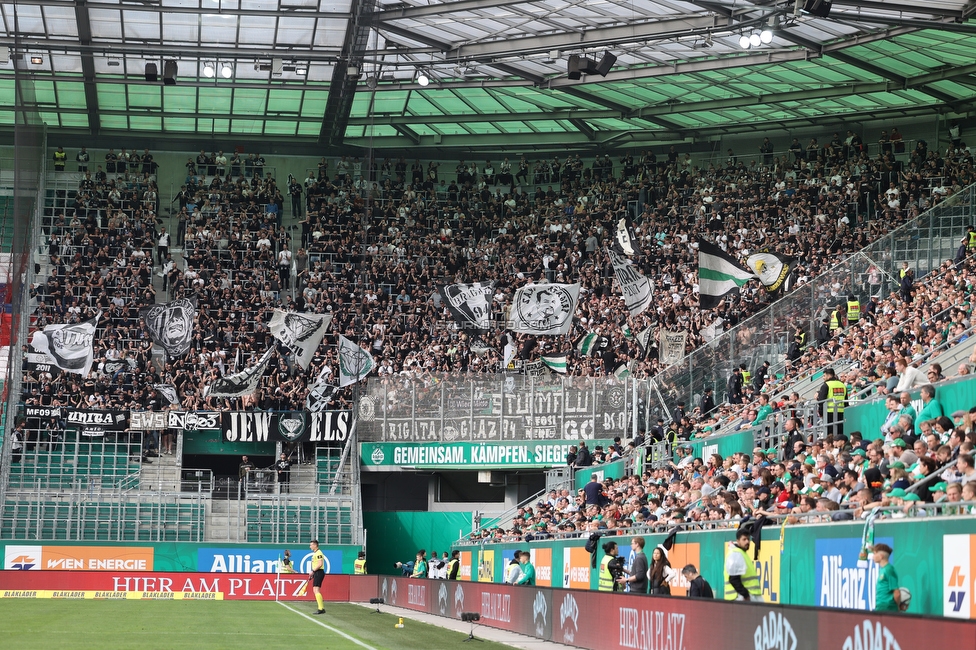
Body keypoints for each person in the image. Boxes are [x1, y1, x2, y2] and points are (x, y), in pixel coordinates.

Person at [725, 528, 762, 601]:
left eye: (748, 539)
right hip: (740, 597)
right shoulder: (736, 554)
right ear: (738, 541)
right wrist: (745, 594)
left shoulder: (740, 553)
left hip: (742, 596)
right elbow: (734, 579)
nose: (747, 541)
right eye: (744, 539)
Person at [872, 543, 905, 612]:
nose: (873, 556)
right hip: (881, 607)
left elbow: (897, 593)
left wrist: (897, 607)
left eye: (875, 553)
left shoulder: (889, 570)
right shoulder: (882, 569)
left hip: (888, 609)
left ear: (881, 556)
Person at [817, 367, 847, 438]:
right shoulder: (842, 385)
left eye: (824, 376)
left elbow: (821, 401)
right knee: (840, 434)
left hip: (829, 412)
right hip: (841, 412)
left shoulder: (826, 385)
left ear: (829, 375)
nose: (823, 378)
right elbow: (846, 401)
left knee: (830, 435)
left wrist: (821, 412)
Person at [308, 539, 327, 614]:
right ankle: (321, 607)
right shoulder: (316, 553)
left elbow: (320, 564)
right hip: (317, 572)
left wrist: (313, 571)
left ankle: (321, 608)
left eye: (311, 545)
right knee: (315, 590)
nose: (310, 547)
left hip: (319, 572)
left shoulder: (319, 553)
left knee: (316, 590)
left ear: (315, 545)